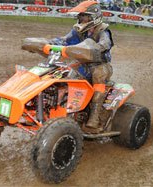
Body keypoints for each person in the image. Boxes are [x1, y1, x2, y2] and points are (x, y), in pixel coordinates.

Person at [50, 0, 114, 133]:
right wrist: (52, 43)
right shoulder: (78, 31)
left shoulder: (103, 30)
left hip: (100, 65)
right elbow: (64, 40)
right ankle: (61, 107)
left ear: (93, 17)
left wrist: (97, 47)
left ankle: (94, 117)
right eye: (80, 16)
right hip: (82, 64)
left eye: (83, 16)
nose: (80, 18)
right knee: (63, 71)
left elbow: (106, 43)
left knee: (98, 75)